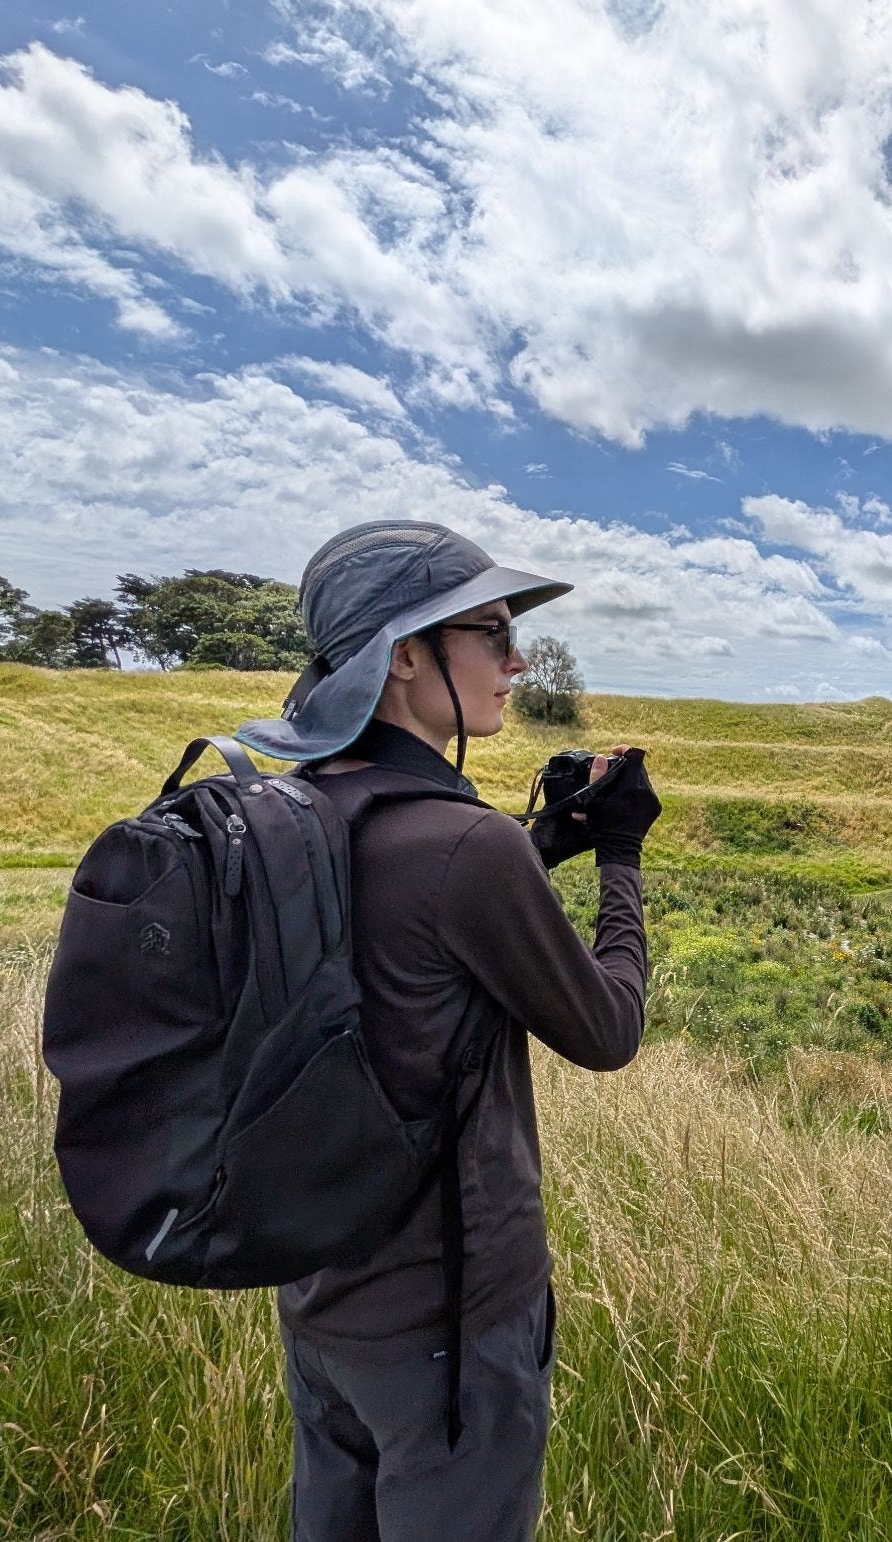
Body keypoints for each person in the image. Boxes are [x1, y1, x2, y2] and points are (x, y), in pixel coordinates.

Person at [234, 520, 659, 1541]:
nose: (518, 662)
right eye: (493, 632)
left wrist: (539, 841)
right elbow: (608, 1030)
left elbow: (401, 918)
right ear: (405, 656)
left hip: (321, 1294)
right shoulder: (465, 846)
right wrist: (620, 857)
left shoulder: (288, 811)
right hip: (453, 1323)